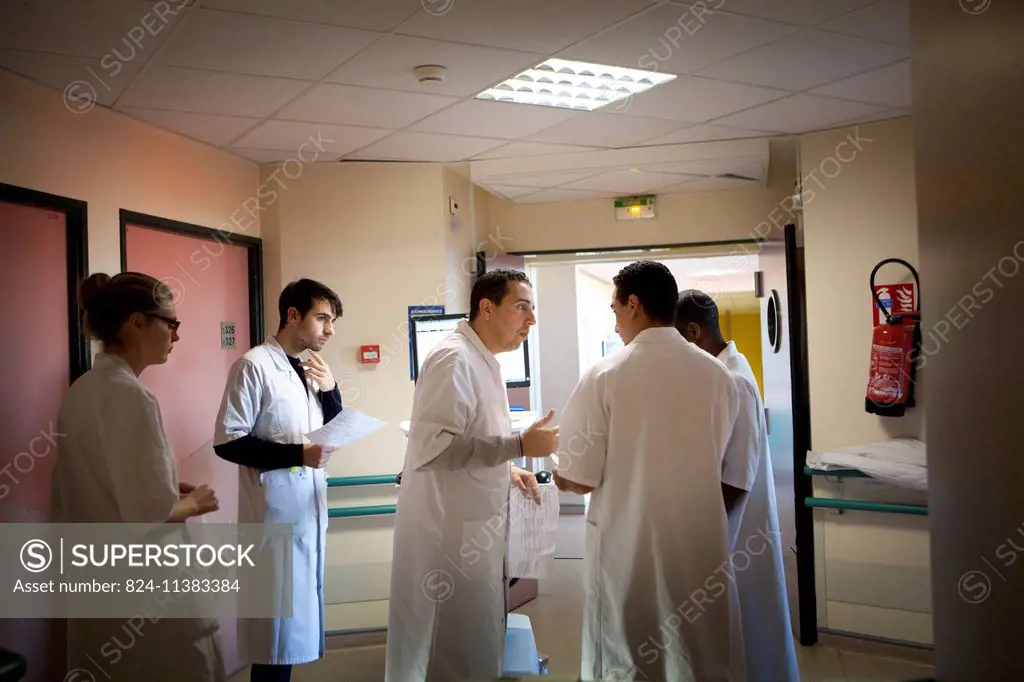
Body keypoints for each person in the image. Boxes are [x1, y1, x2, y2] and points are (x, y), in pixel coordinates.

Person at [552, 261, 745, 682]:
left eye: (616, 309)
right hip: (699, 544)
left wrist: (553, 474)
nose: (616, 322)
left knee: (629, 654)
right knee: (699, 652)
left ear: (634, 304)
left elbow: (579, 478)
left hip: (629, 547)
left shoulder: (605, 375)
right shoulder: (719, 377)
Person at [385, 268, 560, 682]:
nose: (530, 320)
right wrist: (517, 447)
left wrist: (510, 468)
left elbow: (473, 438)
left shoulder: (484, 361)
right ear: (486, 307)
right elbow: (436, 449)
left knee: (475, 644)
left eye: (533, 309)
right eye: (521, 307)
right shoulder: (454, 359)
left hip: (473, 531)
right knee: (448, 649)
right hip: (448, 540)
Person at [51, 272, 225, 682]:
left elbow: (94, 484)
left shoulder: (84, 389)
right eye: (170, 323)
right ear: (136, 323)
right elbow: (149, 513)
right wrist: (194, 502)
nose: (176, 336)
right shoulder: (132, 395)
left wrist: (166, 484)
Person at [213, 278, 344, 682]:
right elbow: (228, 441)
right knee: (273, 643)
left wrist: (332, 389)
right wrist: (297, 455)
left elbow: (330, 427)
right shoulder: (254, 365)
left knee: (288, 636)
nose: (330, 330)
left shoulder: (305, 369)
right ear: (292, 315)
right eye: (322, 318)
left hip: (304, 513)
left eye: (332, 321)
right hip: (272, 521)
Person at [676, 289, 799, 682]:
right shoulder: (727, 370)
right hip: (734, 524)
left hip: (739, 527)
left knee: (750, 623)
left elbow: (736, 480)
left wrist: (702, 530)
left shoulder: (734, 380)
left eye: (677, 339)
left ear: (693, 332)